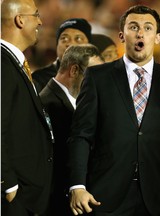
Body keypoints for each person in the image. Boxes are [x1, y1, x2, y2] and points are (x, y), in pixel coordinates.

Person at [67, 5, 160, 216]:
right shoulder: (97, 77)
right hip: (104, 196)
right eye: (133, 27)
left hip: (158, 198)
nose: (140, 32)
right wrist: (77, 186)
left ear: (158, 37)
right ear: (122, 35)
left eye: (147, 27)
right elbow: (81, 135)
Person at [1, 0, 54, 215]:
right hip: (12, 199)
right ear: (20, 20)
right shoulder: (2, 64)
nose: (41, 21)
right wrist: (8, 184)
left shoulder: (13, 62)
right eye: (36, 14)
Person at [39, 44, 103, 216]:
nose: (98, 84)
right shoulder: (48, 106)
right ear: (74, 70)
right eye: (93, 76)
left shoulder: (71, 104)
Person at [32, 17, 92, 92]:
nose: (70, 44)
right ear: (56, 45)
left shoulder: (97, 77)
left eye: (78, 39)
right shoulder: (40, 78)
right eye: (64, 39)